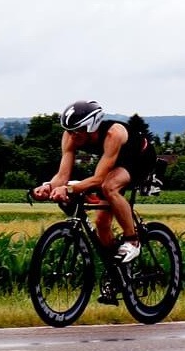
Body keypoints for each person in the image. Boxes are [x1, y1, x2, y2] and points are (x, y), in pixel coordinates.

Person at [33, 100, 157, 265]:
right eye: (69, 131)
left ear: (91, 127)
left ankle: (132, 240)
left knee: (109, 186)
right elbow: (62, 176)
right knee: (102, 223)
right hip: (113, 164)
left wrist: (69, 189)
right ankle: (116, 270)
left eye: (77, 131)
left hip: (140, 159)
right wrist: (48, 186)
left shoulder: (113, 134)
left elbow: (99, 179)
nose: (72, 136)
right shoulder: (70, 136)